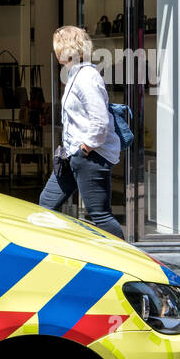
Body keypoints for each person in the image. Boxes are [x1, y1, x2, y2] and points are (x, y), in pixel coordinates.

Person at [39, 25, 125, 239]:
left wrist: (85, 149)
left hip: (89, 156)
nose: (55, 52)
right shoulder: (75, 75)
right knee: (46, 205)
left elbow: (99, 120)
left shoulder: (87, 77)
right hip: (71, 155)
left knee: (100, 216)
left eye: (57, 47)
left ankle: (128, 259)